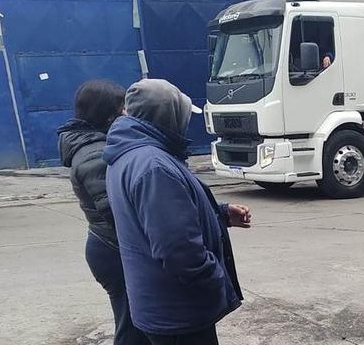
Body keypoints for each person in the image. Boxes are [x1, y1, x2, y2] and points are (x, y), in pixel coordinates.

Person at [103, 79, 250, 345]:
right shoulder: (154, 165)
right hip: (178, 313)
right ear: (167, 116)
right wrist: (214, 278)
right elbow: (178, 250)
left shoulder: (129, 154)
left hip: (162, 307)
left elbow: (158, 216)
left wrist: (221, 214)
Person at [57, 80, 151, 345]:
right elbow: (116, 213)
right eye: (121, 109)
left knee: (135, 322)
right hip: (113, 249)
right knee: (132, 327)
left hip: (110, 245)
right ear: (107, 114)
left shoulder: (97, 144)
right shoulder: (94, 154)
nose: (125, 114)